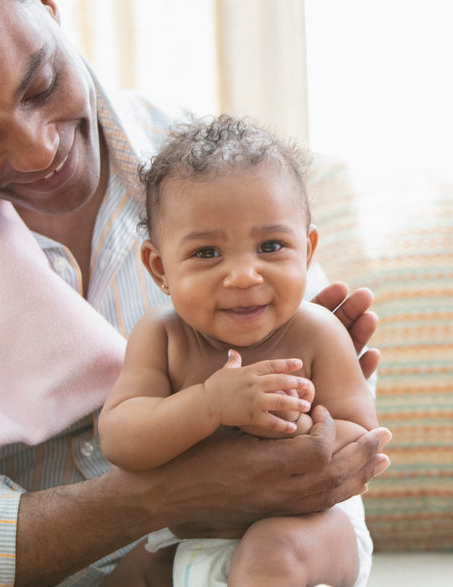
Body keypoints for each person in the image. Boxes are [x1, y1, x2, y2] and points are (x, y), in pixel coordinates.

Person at [0, 1, 391, 586]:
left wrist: (313, 435)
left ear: (49, 8)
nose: (40, 152)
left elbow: (349, 435)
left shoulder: (224, 176)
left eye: (40, 86)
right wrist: (161, 496)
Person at [97, 115, 379, 587]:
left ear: (306, 252)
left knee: (270, 557)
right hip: (191, 536)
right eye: (207, 253)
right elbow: (121, 437)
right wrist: (208, 405)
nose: (245, 275)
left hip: (308, 533)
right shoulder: (161, 337)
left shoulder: (317, 332)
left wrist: (291, 428)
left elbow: (362, 438)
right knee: (132, 571)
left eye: (270, 246)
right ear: (159, 267)